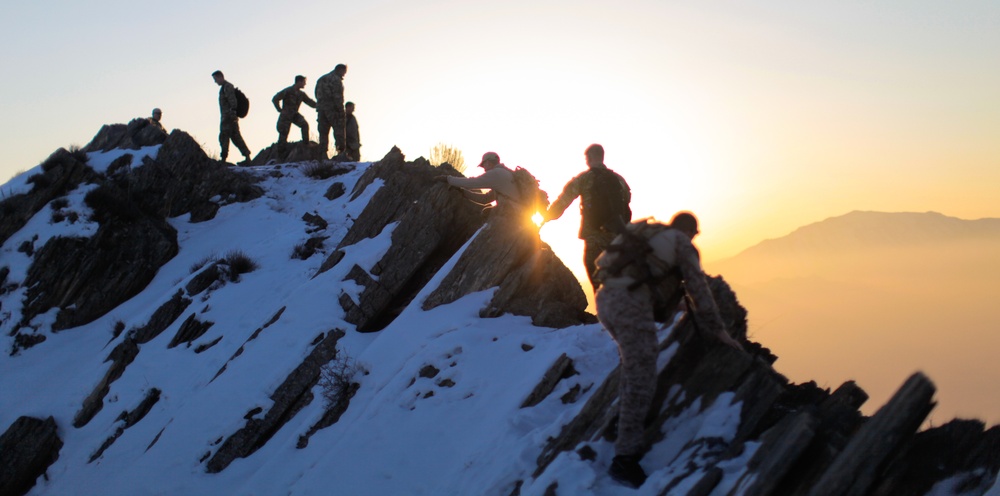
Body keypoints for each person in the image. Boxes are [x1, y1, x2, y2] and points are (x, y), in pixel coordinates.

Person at [594, 213, 742, 488]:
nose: (693, 239)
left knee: (633, 366)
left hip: (605, 300)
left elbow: (638, 275)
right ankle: (624, 460)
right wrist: (718, 329)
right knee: (642, 377)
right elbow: (699, 288)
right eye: (694, 234)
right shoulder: (681, 244)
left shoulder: (646, 234)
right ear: (689, 231)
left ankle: (622, 422)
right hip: (630, 305)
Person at [543, 143, 631, 289]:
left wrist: (546, 217)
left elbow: (564, 200)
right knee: (616, 276)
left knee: (596, 275)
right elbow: (626, 201)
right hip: (617, 237)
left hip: (594, 236)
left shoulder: (584, 179)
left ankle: (602, 307)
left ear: (590, 157)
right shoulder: (619, 180)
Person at [440, 152, 520, 209]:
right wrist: (463, 192)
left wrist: (448, 179)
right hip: (521, 214)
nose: (484, 169)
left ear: (488, 162)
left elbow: (472, 182)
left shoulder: (496, 173)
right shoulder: (505, 174)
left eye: (483, 165)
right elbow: (485, 199)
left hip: (513, 216)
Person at [212, 70, 253, 164]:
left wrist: (232, 112)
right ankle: (247, 157)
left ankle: (223, 159)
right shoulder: (224, 87)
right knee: (236, 137)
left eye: (215, 79)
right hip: (230, 117)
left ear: (220, 77)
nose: (215, 82)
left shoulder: (227, 87)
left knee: (224, 136)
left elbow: (232, 100)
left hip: (228, 117)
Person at [272, 75, 317, 143]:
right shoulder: (288, 91)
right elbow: (275, 98)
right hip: (286, 116)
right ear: (299, 82)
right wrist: (279, 109)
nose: (305, 84)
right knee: (283, 135)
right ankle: (281, 151)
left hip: (294, 114)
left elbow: (310, 102)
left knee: (305, 125)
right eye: (304, 82)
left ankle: (305, 144)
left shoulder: (301, 94)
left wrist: (321, 105)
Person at [315, 64, 347, 156]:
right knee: (339, 130)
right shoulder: (336, 80)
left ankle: (322, 154)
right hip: (333, 109)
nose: (344, 74)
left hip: (321, 109)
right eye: (344, 72)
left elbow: (316, 93)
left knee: (323, 132)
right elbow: (338, 97)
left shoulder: (321, 79)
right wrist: (341, 111)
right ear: (340, 70)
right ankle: (341, 152)